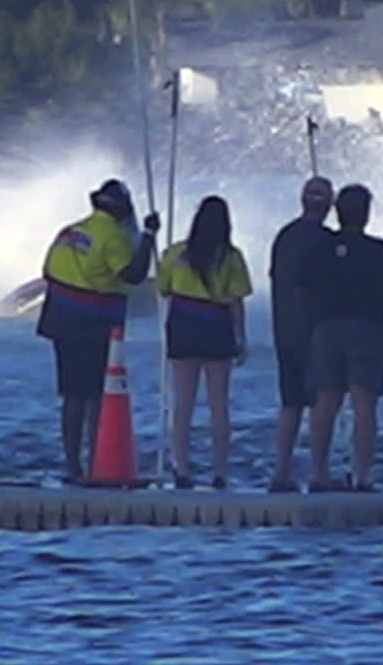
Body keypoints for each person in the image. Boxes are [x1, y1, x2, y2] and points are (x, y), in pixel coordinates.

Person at [38, 179, 160, 481]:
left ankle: (71, 463)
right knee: (95, 394)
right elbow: (133, 275)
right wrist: (148, 236)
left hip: (59, 319)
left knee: (71, 394)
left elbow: (47, 271)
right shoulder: (114, 237)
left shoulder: (70, 230)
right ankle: (97, 462)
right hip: (91, 323)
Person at [299, 184, 383, 492]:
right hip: (367, 330)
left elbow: (301, 290)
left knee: (324, 404)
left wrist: (311, 325)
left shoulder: (320, 248)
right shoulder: (380, 251)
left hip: (325, 328)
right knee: (364, 406)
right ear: (367, 214)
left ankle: (318, 474)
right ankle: (361, 476)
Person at [155, 196, 252, 490]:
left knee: (183, 402)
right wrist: (241, 337)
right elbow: (236, 301)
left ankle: (181, 468)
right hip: (216, 323)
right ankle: (220, 471)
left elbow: (162, 288)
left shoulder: (175, 253)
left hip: (184, 321)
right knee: (218, 403)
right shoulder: (231, 257)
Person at [266, 176, 334, 492]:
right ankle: (319, 473)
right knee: (321, 403)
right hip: (317, 332)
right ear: (329, 206)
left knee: (290, 403)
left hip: (284, 331)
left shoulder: (284, 236)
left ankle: (281, 472)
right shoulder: (327, 242)